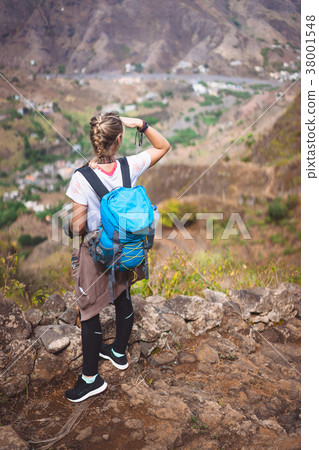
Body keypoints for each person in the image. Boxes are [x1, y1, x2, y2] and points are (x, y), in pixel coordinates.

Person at [64, 111, 170, 402]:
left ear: (94, 140)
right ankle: (119, 353)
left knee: (89, 311)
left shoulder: (81, 178)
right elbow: (163, 146)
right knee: (123, 297)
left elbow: (78, 226)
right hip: (126, 248)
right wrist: (143, 125)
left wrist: (68, 225)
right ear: (119, 140)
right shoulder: (130, 165)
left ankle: (90, 379)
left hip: (97, 253)